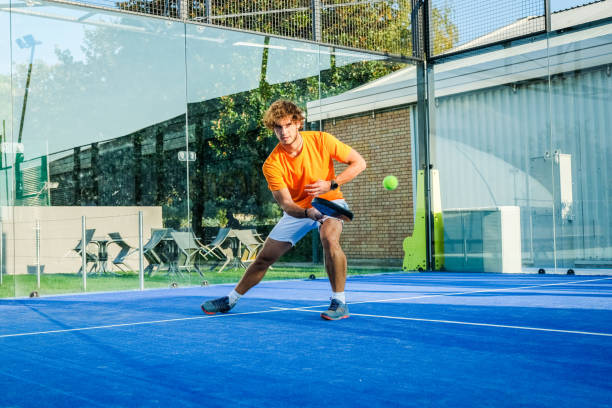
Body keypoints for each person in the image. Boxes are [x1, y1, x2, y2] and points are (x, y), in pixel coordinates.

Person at [201, 100, 366, 320]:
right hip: (299, 210)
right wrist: (308, 213)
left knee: (329, 239)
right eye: (278, 127)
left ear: (298, 123)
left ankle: (339, 302)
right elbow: (287, 205)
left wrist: (331, 184)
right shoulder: (272, 164)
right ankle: (230, 300)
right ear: (273, 128)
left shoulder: (321, 140)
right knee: (263, 259)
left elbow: (359, 163)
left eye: (288, 125)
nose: (283, 131)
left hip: (329, 202)